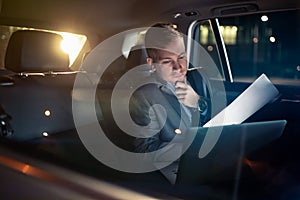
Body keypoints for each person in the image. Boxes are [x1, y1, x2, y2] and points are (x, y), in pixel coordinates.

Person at [129, 23, 208, 154]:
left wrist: (197, 102)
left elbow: (220, 115)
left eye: (181, 57)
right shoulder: (143, 96)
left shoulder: (199, 77)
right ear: (152, 64)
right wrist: (192, 149)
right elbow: (145, 148)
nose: (179, 67)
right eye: (167, 61)